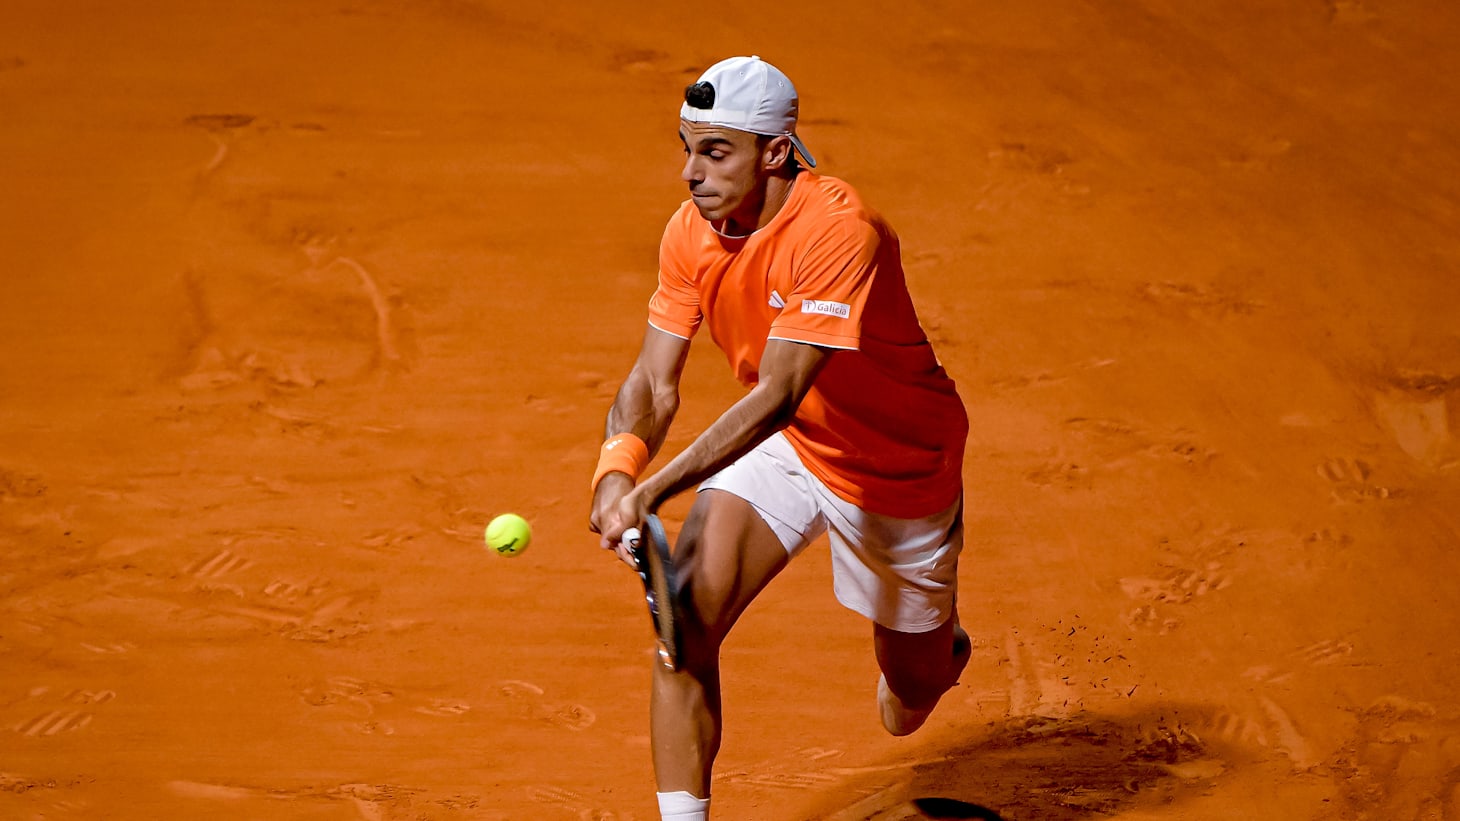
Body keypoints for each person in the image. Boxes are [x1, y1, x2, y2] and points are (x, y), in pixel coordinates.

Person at [588, 55, 971, 821]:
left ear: (774, 151)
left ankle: (938, 652)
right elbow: (654, 382)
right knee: (683, 624)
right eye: (687, 149)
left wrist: (652, 492)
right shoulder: (689, 233)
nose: (691, 173)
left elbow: (777, 393)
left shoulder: (838, 231)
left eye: (715, 152)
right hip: (792, 445)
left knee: (912, 694)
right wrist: (616, 469)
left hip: (894, 466)